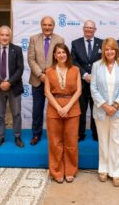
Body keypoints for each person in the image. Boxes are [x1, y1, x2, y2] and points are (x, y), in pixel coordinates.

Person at [90, 38, 119, 187]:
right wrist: (105, 106)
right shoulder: (96, 66)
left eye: (112, 49)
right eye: (107, 49)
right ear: (103, 51)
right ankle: (103, 169)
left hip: (118, 111)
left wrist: (116, 105)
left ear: (116, 50)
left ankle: (116, 172)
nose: (109, 52)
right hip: (101, 111)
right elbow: (93, 88)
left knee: (117, 141)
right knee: (103, 140)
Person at [44, 43, 82, 184]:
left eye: (64, 52)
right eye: (58, 52)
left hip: (72, 109)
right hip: (54, 109)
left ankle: (70, 170)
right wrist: (59, 108)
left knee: (71, 142)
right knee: (55, 142)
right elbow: (47, 92)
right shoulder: (49, 71)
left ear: (67, 54)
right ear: (54, 55)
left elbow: (78, 91)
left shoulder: (76, 70)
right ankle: (57, 171)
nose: (61, 55)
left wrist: (67, 108)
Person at [28, 16, 64, 145]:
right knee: (37, 109)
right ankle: (36, 135)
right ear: (41, 25)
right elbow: (31, 59)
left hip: (54, 80)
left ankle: (56, 135)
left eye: (50, 25)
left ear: (53, 26)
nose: (47, 27)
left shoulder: (59, 39)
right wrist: (40, 75)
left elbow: (60, 59)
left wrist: (49, 75)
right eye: (45, 25)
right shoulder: (33, 39)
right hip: (37, 80)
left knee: (55, 109)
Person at [0, 26, 25, 148]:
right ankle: (0, 137)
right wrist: (0, 82)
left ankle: (17, 136)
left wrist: (9, 82)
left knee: (17, 114)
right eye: (2, 35)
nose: (4, 37)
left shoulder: (17, 50)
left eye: (7, 35)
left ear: (10, 37)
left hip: (14, 87)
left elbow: (20, 68)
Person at [71, 20, 103, 142]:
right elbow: (73, 61)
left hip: (97, 83)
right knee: (81, 110)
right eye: (87, 27)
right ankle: (80, 134)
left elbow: (104, 61)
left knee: (97, 110)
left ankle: (96, 134)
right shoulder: (75, 43)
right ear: (83, 29)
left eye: (91, 28)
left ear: (95, 29)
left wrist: (93, 76)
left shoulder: (102, 43)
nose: (89, 30)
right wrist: (84, 74)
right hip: (81, 83)